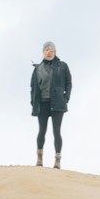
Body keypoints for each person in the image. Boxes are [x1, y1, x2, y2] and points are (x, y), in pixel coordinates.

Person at [30, 40, 72, 169]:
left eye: (52, 50)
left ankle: (57, 160)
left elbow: (69, 83)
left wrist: (66, 98)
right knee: (42, 131)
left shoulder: (63, 66)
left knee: (56, 131)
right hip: (42, 104)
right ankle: (39, 158)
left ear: (55, 51)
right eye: (47, 50)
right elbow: (33, 87)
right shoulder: (38, 68)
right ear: (43, 52)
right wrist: (33, 102)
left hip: (58, 104)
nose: (49, 52)